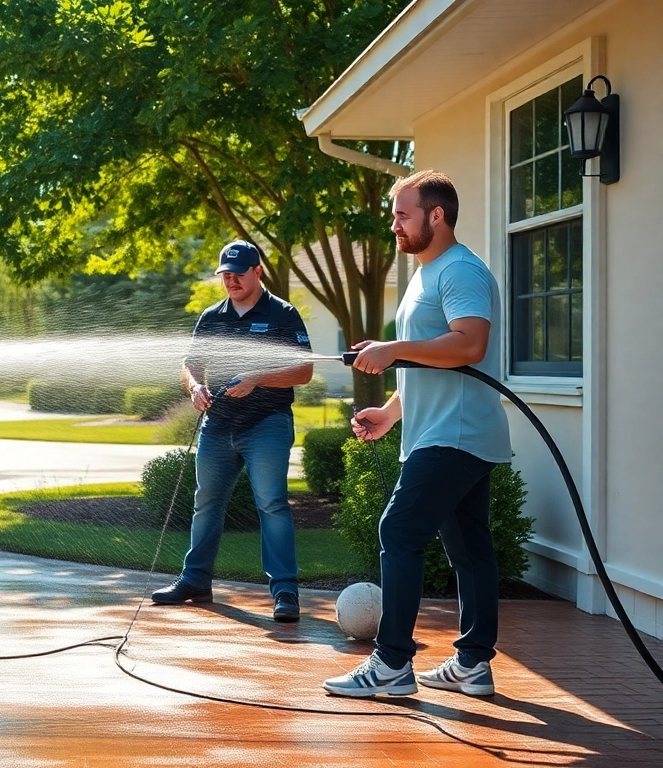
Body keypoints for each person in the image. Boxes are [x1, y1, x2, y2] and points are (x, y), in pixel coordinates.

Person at [323, 169, 511, 698]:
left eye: (403, 215)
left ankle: (391, 664)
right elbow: (433, 361)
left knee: (399, 532)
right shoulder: (426, 274)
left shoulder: (460, 271)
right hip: (447, 431)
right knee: (469, 549)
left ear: (437, 215)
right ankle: (473, 664)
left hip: (454, 434)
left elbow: (469, 345)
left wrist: (394, 349)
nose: (394, 225)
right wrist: (390, 411)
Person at [151, 239, 313, 622]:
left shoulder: (283, 314)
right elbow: (190, 365)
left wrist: (257, 378)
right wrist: (195, 387)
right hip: (218, 424)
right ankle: (195, 581)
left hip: (267, 424)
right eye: (225, 275)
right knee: (206, 502)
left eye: (239, 274)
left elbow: (304, 370)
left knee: (271, 503)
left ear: (258, 272)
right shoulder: (211, 317)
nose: (231, 281)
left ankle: (285, 593)